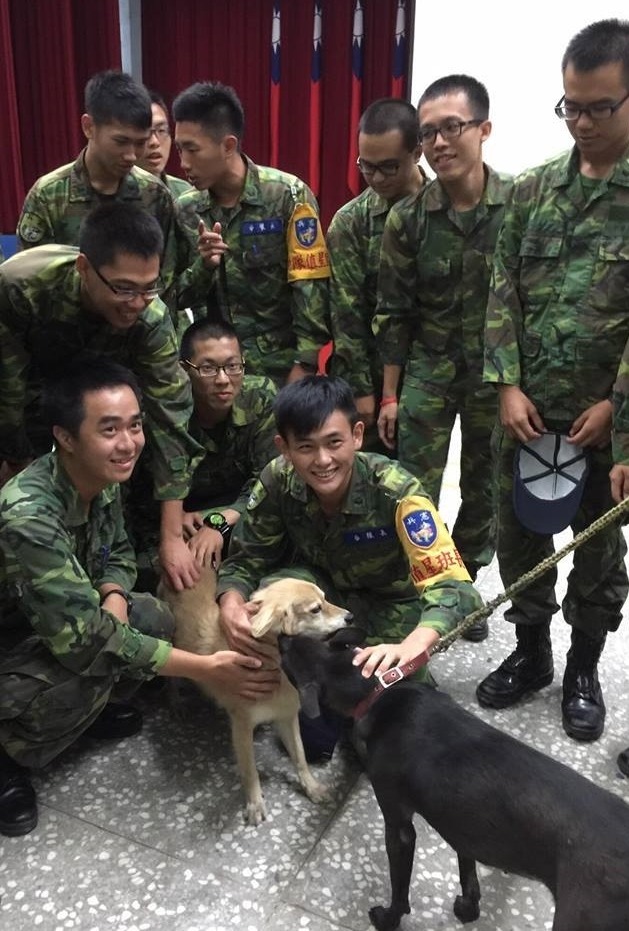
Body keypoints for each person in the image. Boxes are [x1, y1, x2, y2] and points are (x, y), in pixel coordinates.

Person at [0, 358, 278, 837]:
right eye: (109, 429)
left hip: (61, 621)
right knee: (84, 668)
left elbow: (120, 553)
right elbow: (85, 642)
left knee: (149, 615)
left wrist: (112, 592)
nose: (128, 443)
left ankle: (87, 708)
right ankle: (8, 757)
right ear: (65, 437)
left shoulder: (97, 482)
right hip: (15, 642)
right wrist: (204, 667)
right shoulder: (29, 515)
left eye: (134, 426)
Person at [475, 19, 629, 747]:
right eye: (569, 105)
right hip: (528, 415)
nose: (581, 121)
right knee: (520, 535)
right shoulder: (533, 190)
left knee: (596, 551)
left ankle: (582, 667)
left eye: (599, 106)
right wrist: (505, 384)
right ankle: (531, 651)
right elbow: (499, 289)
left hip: (608, 420)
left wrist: (614, 403)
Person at [216, 375, 483, 756]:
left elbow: (454, 586)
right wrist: (230, 601)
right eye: (305, 447)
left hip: (392, 604)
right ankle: (314, 685)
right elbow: (248, 559)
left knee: (395, 738)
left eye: (334, 442)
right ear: (284, 447)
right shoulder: (278, 481)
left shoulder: (396, 492)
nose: (322, 460)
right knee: (314, 741)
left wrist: (414, 644)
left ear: (357, 435)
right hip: (323, 597)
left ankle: (364, 689)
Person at [0, 201, 204, 593]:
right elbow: (7, 389)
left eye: (149, 287)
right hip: (29, 400)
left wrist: (172, 537)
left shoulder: (150, 317)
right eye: (124, 288)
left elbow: (171, 417)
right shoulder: (20, 288)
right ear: (84, 269)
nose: (136, 302)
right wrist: (19, 465)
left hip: (100, 410)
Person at [374, 75, 513, 641]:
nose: (439, 142)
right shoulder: (407, 219)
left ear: (483, 128)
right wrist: (389, 392)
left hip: (494, 374)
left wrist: (517, 385)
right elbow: (393, 313)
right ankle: (422, 587)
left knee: (486, 486)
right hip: (428, 371)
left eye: (451, 127)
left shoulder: (519, 206)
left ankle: (464, 585)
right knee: (414, 487)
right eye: (428, 132)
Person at [15, 69, 202, 327]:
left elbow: (164, 286)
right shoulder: (49, 196)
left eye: (140, 143)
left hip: (139, 338)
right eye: (121, 142)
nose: (131, 155)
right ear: (89, 127)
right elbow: (33, 284)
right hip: (69, 338)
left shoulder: (154, 194)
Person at [173, 81, 331, 384]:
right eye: (180, 149)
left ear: (228, 145)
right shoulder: (186, 211)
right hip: (216, 373)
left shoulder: (287, 195)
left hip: (280, 367)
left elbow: (310, 285)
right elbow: (176, 296)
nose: (183, 163)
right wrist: (203, 267)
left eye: (192, 150)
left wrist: (306, 362)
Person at [130, 318, 278, 585]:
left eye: (233, 366)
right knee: (155, 572)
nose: (223, 380)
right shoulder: (161, 411)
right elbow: (136, 490)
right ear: (184, 369)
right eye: (208, 368)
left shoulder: (260, 397)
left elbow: (267, 481)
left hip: (237, 515)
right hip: (173, 523)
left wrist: (219, 522)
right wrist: (175, 520)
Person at [327, 98, 426, 451]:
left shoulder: (441, 212)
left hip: (430, 377)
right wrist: (362, 390)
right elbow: (346, 314)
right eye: (366, 167)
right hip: (368, 376)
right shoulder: (350, 222)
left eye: (388, 167)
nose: (377, 178)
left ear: (417, 152)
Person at [138, 90, 193, 198]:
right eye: (145, 132)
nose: (154, 142)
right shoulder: (114, 192)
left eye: (161, 130)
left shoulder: (184, 193)